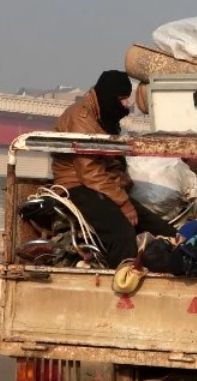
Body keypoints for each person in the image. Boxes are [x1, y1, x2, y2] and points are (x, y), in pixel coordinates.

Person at [52, 70, 176, 267]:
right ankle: (123, 283)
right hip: (76, 186)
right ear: (109, 95)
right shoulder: (82, 117)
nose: (126, 105)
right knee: (122, 233)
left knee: (162, 229)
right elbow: (90, 172)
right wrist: (123, 203)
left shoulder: (104, 116)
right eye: (122, 99)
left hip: (103, 187)